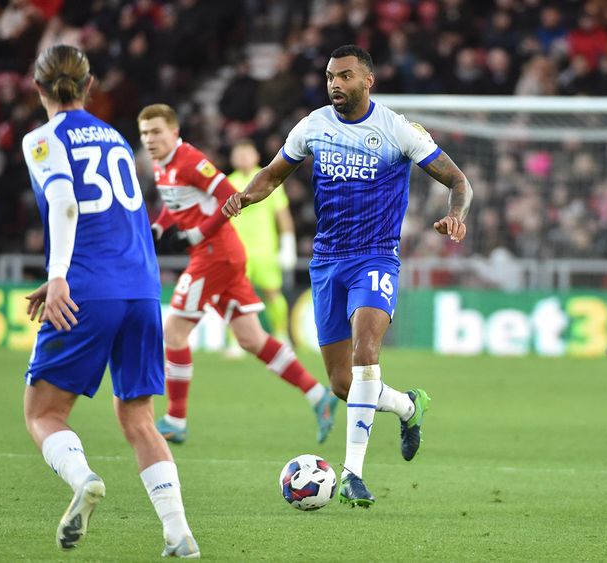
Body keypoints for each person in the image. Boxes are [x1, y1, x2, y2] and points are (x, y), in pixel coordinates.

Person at [223, 45, 473, 507]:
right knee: (343, 384)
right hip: (326, 262)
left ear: (367, 80)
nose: (335, 83)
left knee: (366, 350)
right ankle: (408, 406)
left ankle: (352, 474)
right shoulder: (313, 125)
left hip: (375, 257)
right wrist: (244, 195)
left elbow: (459, 181)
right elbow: (273, 174)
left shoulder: (398, 130)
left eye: (345, 76)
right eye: (330, 76)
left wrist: (455, 214)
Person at [20, 45, 198, 558]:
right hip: (141, 289)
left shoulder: (43, 139)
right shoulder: (118, 139)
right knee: (139, 416)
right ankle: (178, 533)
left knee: (44, 413)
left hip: (85, 288)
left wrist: (57, 276)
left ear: (38, 87)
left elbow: (65, 201)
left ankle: (82, 481)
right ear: (89, 84)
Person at [137, 104, 339, 446]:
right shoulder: (162, 165)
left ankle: (175, 419)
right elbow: (177, 206)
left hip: (214, 255)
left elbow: (229, 196)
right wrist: (159, 227)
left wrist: (199, 234)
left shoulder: (189, 160)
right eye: (144, 134)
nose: (150, 139)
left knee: (172, 333)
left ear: (174, 131)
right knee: (250, 338)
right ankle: (318, 395)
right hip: (220, 256)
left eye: (156, 132)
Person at [227, 140, 297, 342]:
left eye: (246, 153)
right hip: (237, 250)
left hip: (265, 250)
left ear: (256, 156)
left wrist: (288, 244)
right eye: (238, 154)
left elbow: (282, 215)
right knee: (235, 296)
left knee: (272, 293)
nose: (242, 158)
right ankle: (234, 341)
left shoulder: (267, 180)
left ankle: (281, 334)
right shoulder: (228, 182)